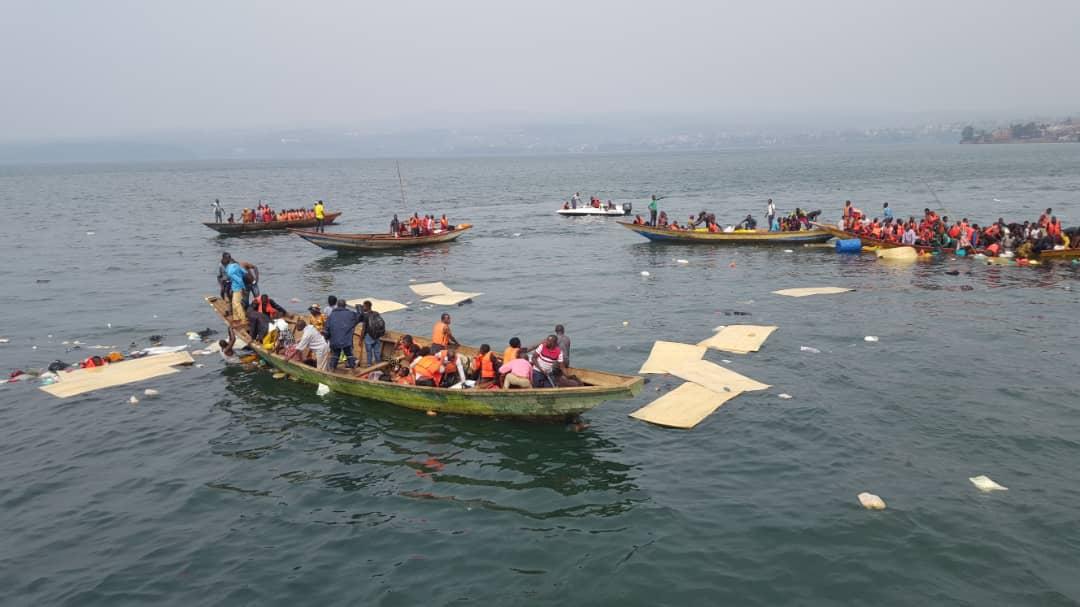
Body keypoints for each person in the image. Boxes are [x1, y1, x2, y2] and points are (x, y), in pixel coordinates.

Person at [221, 253, 256, 325]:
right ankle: (236, 318)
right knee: (234, 303)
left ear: (225, 265)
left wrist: (243, 288)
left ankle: (243, 319)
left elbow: (239, 280)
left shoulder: (229, 271)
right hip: (236, 287)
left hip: (238, 288)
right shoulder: (236, 265)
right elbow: (244, 272)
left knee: (237, 304)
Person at [326, 299, 358, 370]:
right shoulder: (351, 314)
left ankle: (332, 368)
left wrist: (327, 337)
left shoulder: (331, 315)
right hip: (346, 339)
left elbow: (327, 327)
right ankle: (353, 368)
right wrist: (359, 308)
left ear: (337, 305)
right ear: (345, 305)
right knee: (349, 353)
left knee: (336, 354)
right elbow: (359, 317)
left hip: (335, 339)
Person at [359, 300, 385, 366]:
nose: (363, 308)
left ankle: (369, 365)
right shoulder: (376, 313)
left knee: (369, 352)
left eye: (364, 306)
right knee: (377, 351)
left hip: (369, 336)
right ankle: (378, 364)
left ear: (367, 307)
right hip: (377, 335)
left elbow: (364, 328)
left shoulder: (366, 316)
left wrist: (360, 339)